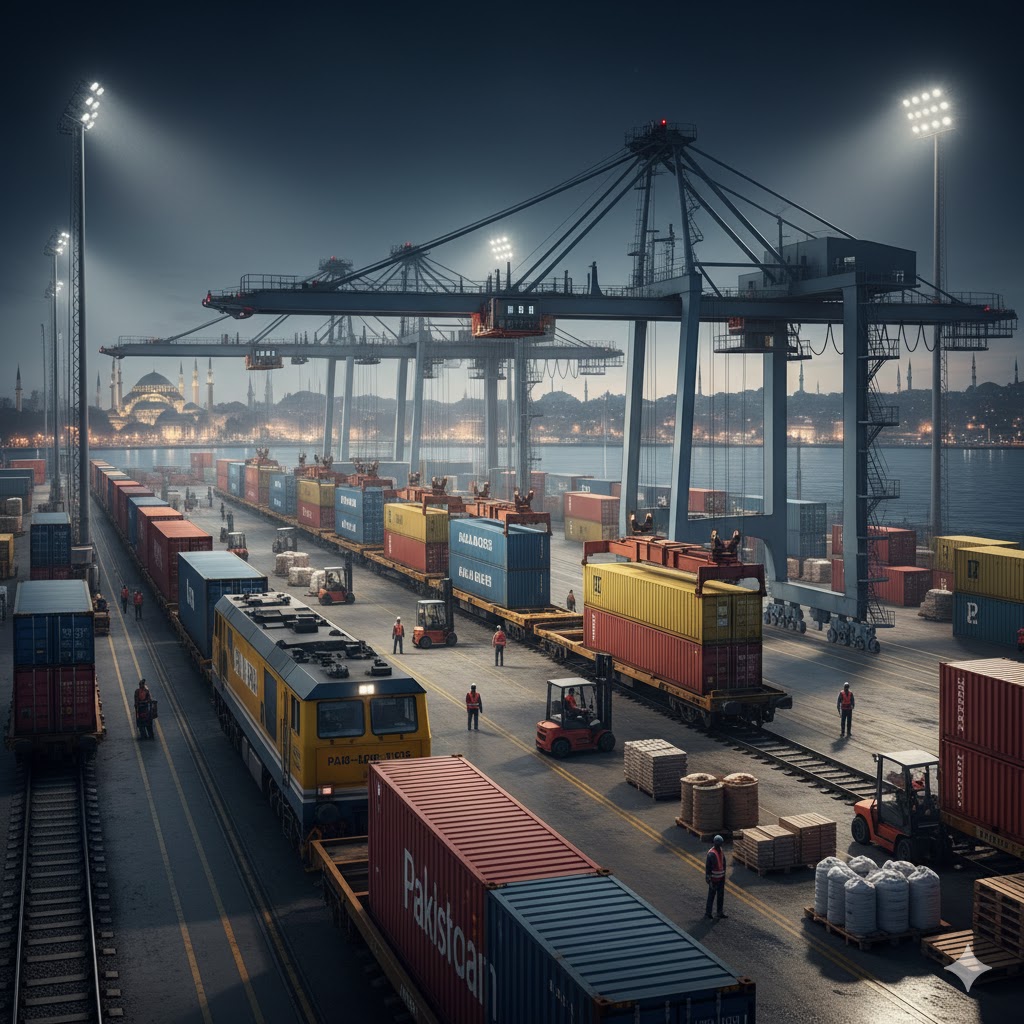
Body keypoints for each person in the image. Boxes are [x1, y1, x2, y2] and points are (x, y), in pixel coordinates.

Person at [705, 835, 728, 920]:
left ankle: (719, 912)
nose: (720, 846)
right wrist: (709, 880)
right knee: (711, 896)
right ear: (715, 843)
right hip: (714, 880)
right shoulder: (711, 854)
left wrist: (724, 877)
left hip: (721, 879)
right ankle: (708, 913)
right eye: (719, 844)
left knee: (720, 897)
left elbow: (723, 864)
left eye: (721, 844)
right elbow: (708, 868)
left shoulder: (721, 851)